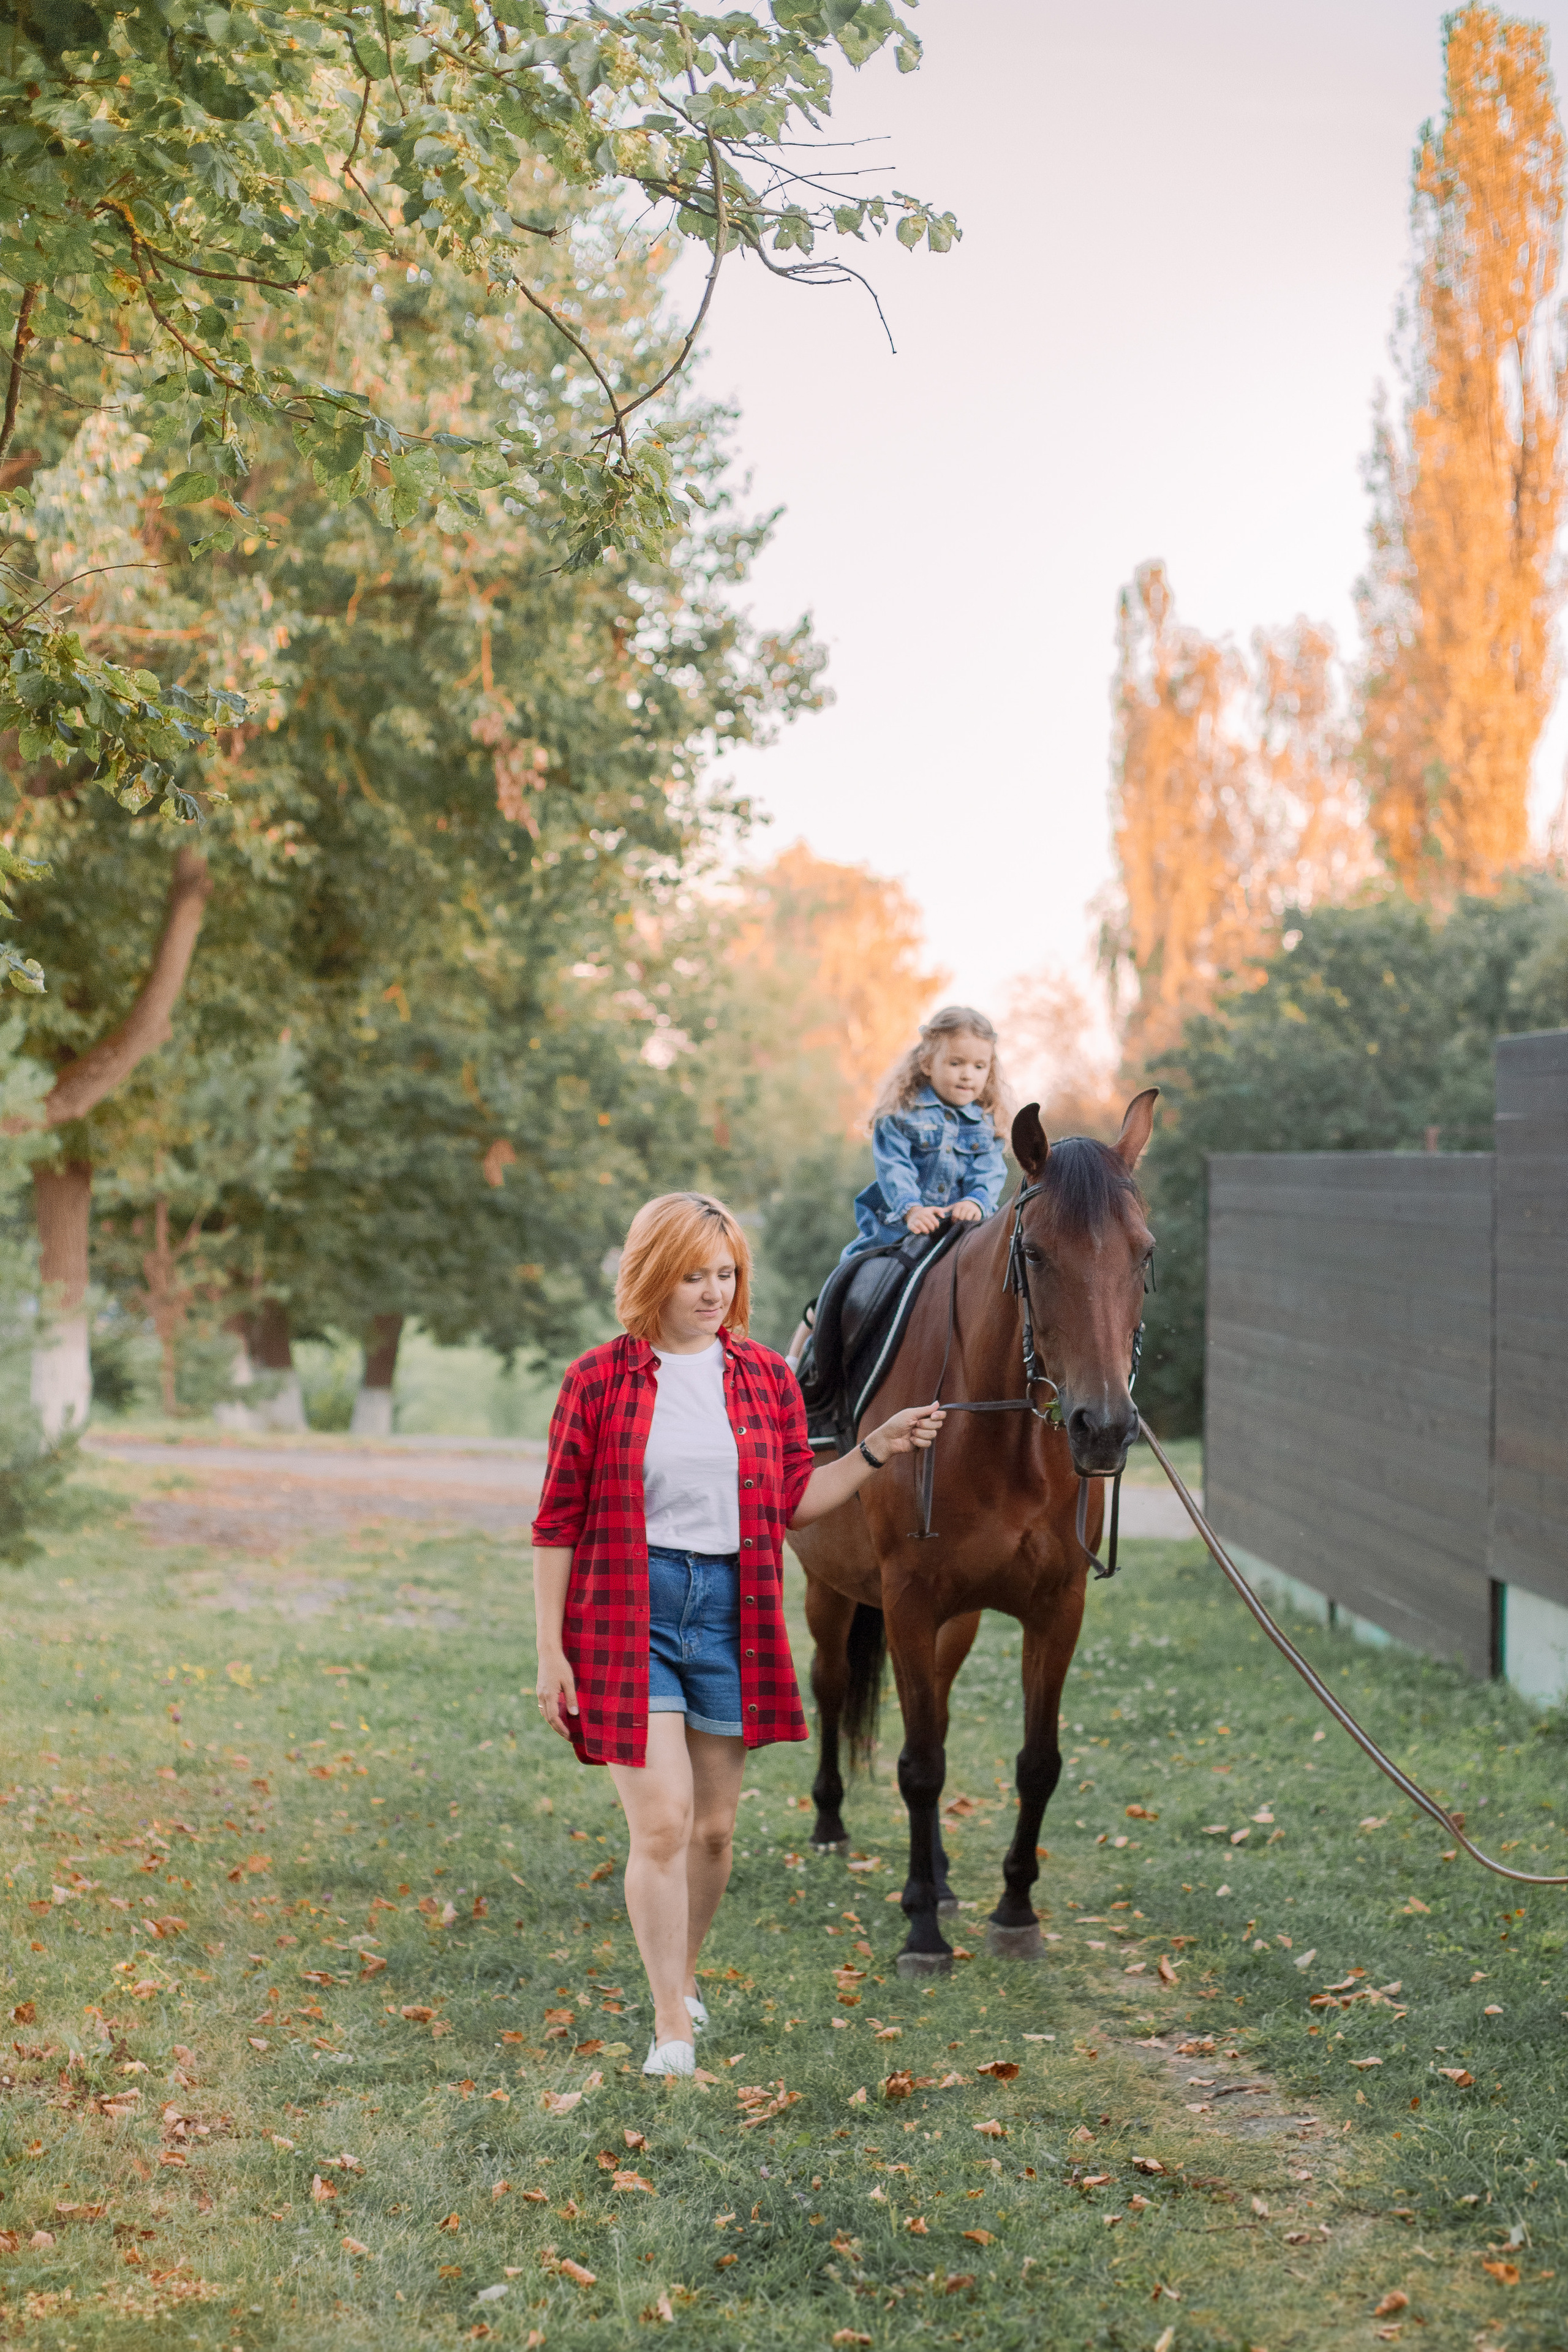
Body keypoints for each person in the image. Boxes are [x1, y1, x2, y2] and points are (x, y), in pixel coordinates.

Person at [531, 1190, 944, 2079]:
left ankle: (682, 1977)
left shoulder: (763, 1377)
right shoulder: (597, 1380)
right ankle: (668, 2025)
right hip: (627, 1611)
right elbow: (556, 1522)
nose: (714, 1292)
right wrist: (550, 1650)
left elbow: (792, 1499)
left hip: (731, 1609)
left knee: (714, 1832)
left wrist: (875, 1448)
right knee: (663, 1824)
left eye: (725, 1274)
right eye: (693, 1275)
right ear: (652, 1275)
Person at [783, 1006, 1011, 1367]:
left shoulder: (987, 1126)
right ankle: (802, 1363)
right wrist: (912, 1209)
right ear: (927, 1063)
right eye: (956, 1063)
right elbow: (894, 1169)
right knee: (847, 1282)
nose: (968, 1074)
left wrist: (977, 1201)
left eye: (979, 1066)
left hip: (962, 1231)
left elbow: (990, 1172)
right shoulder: (900, 1115)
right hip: (898, 1228)